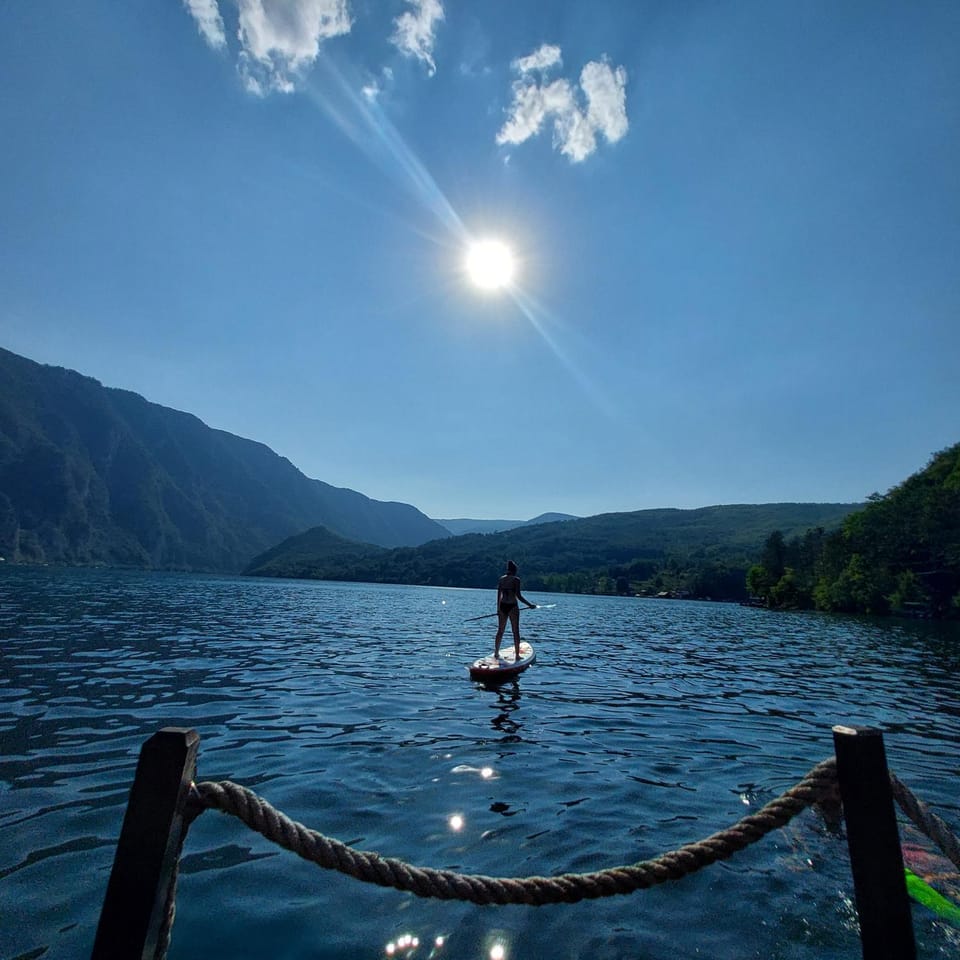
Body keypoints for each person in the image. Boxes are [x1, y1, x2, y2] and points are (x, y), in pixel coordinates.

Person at [494, 560, 536, 661]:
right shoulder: (516, 580)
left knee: (500, 630)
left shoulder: (502, 579)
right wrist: (530, 605)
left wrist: (498, 609)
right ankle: (517, 655)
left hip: (503, 606)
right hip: (512, 606)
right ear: (515, 570)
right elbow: (518, 596)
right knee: (515, 631)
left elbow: (499, 595)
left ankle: (496, 653)